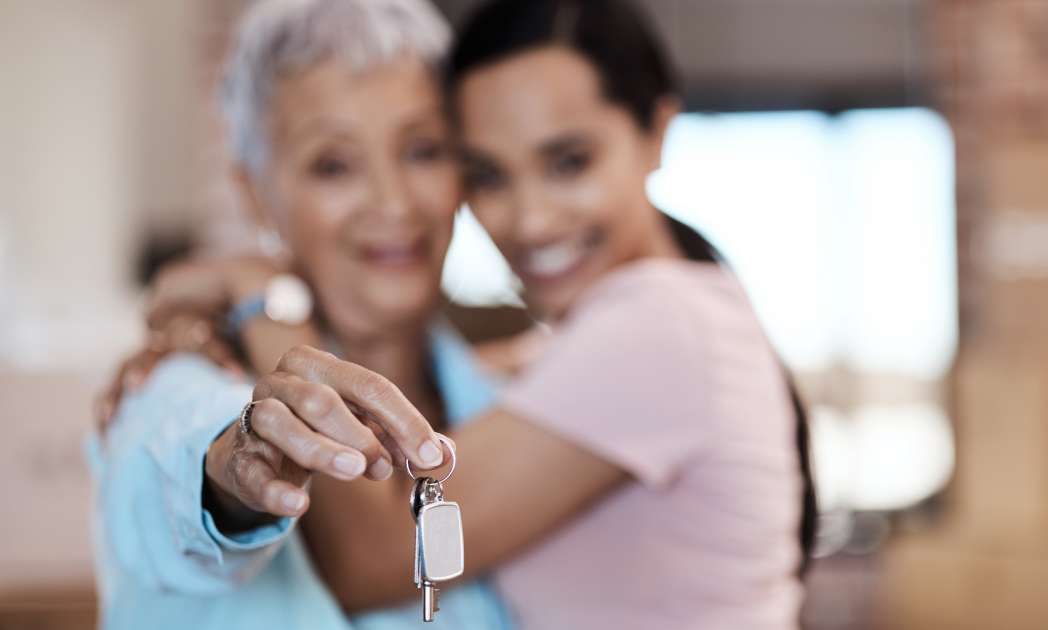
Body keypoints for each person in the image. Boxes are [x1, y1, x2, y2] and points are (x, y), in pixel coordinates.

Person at [174, 1, 816, 628]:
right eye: (488, 176)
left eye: (569, 162)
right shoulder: (655, 318)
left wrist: (264, 301)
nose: (531, 220)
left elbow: (377, 558)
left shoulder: (660, 325)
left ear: (658, 132)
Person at [89, 1, 513, 628]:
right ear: (255, 194)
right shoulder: (180, 379)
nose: (394, 202)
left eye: (423, 150)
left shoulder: (504, 400)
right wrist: (240, 467)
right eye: (333, 164)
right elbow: (188, 457)